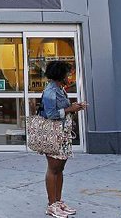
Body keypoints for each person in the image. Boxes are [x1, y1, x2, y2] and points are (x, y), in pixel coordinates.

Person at [40, 61, 87, 218]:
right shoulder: (50, 91)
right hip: (53, 134)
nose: (70, 76)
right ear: (60, 75)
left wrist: (74, 107)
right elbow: (51, 114)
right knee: (53, 168)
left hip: (62, 133)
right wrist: (70, 109)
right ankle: (51, 205)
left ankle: (58, 202)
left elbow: (62, 110)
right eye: (67, 73)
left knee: (59, 169)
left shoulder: (60, 89)